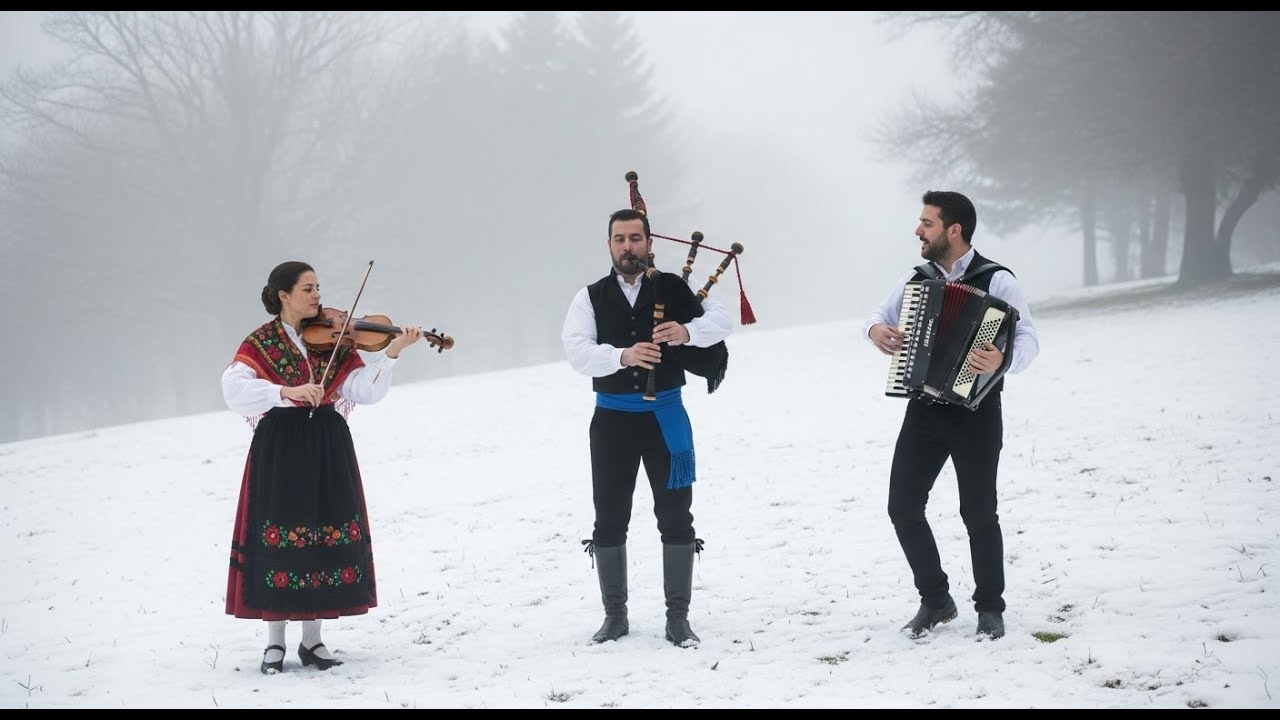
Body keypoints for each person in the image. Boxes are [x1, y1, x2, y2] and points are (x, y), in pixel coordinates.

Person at [222, 260, 427, 674]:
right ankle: (274, 644)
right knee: (278, 536)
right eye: (308, 288)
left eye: (318, 287)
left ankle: (313, 642)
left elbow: (363, 392)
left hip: (328, 444)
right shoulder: (261, 343)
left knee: (322, 532)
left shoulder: (337, 341)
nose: (318, 295)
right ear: (284, 295)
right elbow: (234, 389)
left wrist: (390, 352)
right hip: (280, 444)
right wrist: (286, 389)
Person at [864, 191, 1040, 641]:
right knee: (902, 506)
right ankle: (937, 600)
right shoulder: (916, 278)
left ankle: (990, 608)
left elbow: (1028, 340)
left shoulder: (997, 280)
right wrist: (878, 331)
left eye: (927, 223)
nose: (918, 231)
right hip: (923, 408)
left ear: (953, 230)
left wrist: (1000, 361)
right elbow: (877, 317)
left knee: (979, 512)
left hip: (977, 413)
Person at [562, 208, 734, 648]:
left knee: (676, 518)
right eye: (619, 239)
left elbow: (721, 319)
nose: (627, 247)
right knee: (610, 519)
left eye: (635, 238)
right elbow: (577, 351)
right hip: (612, 423)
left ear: (649, 242)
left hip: (666, 422)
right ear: (609, 245)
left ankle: (678, 619)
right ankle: (614, 617)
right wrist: (621, 356)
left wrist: (686, 331)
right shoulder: (590, 296)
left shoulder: (672, 287)